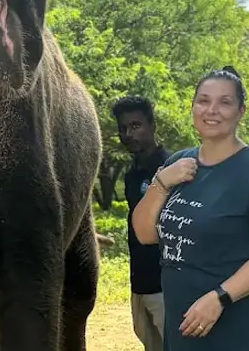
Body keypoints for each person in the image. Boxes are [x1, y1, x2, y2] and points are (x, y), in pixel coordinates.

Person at [131, 67, 249, 351]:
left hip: (240, 321)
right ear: (193, 106)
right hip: (184, 319)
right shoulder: (179, 164)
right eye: (204, 101)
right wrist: (161, 182)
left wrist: (219, 297)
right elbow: (145, 233)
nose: (212, 110)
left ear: (241, 111)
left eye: (225, 102)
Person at [112, 96, 169, 351]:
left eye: (135, 126)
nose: (128, 134)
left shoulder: (171, 168)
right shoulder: (132, 174)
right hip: (139, 283)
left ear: (152, 126)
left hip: (167, 285)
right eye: (123, 128)